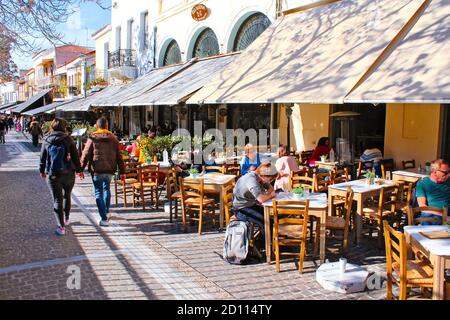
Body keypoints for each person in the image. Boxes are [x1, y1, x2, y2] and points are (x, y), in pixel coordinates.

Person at [39, 118, 84, 236]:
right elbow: (75, 156)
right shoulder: (68, 139)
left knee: (57, 199)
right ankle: (67, 218)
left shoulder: (47, 139)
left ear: (52, 126)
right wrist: (79, 170)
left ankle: (61, 227)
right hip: (69, 173)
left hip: (53, 174)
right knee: (67, 196)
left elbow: (42, 157)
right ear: (64, 127)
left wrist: (42, 171)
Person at [80, 117, 126, 227]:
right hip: (110, 169)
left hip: (97, 169)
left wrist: (80, 169)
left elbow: (86, 154)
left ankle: (104, 218)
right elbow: (119, 156)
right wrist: (123, 171)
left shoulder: (93, 137)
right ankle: (106, 211)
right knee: (106, 189)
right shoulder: (114, 138)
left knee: (98, 192)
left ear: (97, 126)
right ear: (107, 126)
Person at [233, 161, 277, 232]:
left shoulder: (260, 178)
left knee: (271, 217)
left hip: (251, 205)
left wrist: (268, 193)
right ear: (262, 176)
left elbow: (271, 189)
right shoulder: (251, 180)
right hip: (241, 209)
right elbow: (261, 199)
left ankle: (267, 239)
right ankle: (264, 242)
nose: (271, 181)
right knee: (265, 222)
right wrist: (270, 195)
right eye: (271, 179)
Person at [415, 159, 450, 225]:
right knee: (427, 217)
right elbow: (422, 207)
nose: (448, 175)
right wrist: (443, 215)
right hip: (433, 215)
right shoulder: (422, 184)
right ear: (434, 172)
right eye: (445, 173)